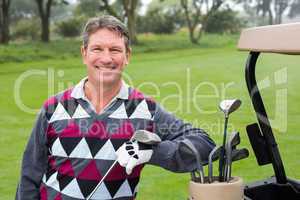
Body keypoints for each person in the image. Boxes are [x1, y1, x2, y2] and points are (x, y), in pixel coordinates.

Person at [16, 15, 215, 200]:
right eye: (97, 49)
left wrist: (152, 152)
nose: (106, 58)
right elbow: (29, 176)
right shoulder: (53, 107)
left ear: (127, 56)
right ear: (84, 53)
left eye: (115, 50)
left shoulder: (146, 109)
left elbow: (205, 144)